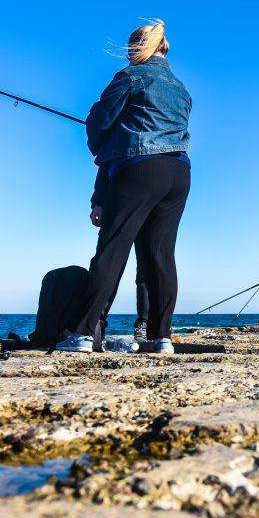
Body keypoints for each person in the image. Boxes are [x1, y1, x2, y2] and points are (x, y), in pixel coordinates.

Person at [61, 20, 191, 354]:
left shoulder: (129, 77)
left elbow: (100, 122)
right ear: (164, 48)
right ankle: (161, 339)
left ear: (138, 48)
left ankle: (83, 334)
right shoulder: (181, 89)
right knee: (160, 256)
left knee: (112, 250)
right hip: (179, 172)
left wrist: (97, 135)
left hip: (139, 169)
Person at [90, 165, 149, 343]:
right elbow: (106, 158)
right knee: (109, 261)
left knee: (148, 266)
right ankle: (95, 322)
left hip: (154, 192)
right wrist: (98, 202)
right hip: (119, 194)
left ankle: (145, 324)